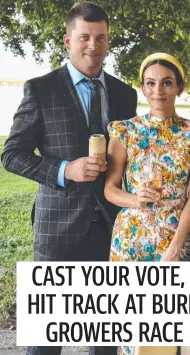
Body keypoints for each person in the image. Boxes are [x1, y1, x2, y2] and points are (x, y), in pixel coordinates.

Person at [1, 3, 137, 355]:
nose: (93, 45)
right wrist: (65, 170)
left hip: (110, 229)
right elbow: (11, 155)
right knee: (44, 345)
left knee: (106, 343)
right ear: (68, 40)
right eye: (85, 37)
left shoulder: (125, 94)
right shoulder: (40, 89)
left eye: (101, 37)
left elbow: (134, 158)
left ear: (108, 42)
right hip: (57, 230)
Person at [104, 53, 190, 353]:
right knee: (132, 339)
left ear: (179, 87)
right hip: (131, 240)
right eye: (150, 84)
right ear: (142, 88)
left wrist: (177, 247)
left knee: (170, 337)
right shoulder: (125, 131)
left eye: (166, 83)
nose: (158, 91)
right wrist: (135, 199)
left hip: (174, 240)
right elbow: (110, 190)